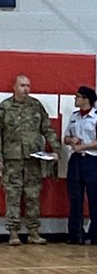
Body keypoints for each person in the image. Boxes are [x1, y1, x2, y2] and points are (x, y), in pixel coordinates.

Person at [0, 73, 61, 245]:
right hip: (12, 160)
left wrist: (56, 149)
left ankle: (33, 231)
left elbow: (47, 129)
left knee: (33, 195)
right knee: (13, 195)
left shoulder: (36, 106)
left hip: (33, 160)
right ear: (14, 87)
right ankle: (13, 232)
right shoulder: (5, 107)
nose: (26, 89)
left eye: (28, 86)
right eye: (22, 85)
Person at [63, 86, 97, 245]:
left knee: (93, 198)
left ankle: (95, 234)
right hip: (76, 160)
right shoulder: (75, 116)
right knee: (75, 198)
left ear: (86, 99)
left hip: (91, 161)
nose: (75, 100)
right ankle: (75, 233)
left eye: (78, 97)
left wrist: (84, 146)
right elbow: (66, 137)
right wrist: (72, 140)